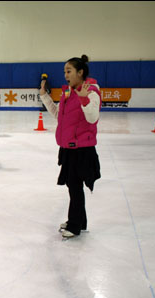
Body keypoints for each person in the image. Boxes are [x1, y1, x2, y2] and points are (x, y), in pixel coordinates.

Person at [39, 55, 101, 239]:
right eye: (64, 71)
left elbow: (92, 118)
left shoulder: (91, 91)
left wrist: (84, 99)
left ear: (80, 72)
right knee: (73, 186)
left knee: (74, 186)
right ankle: (79, 221)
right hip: (68, 147)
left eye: (69, 71)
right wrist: (45, 97)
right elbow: (59, 116)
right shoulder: (68, 92)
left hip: (81, 149)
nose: (65, 75)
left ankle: (75, 225)